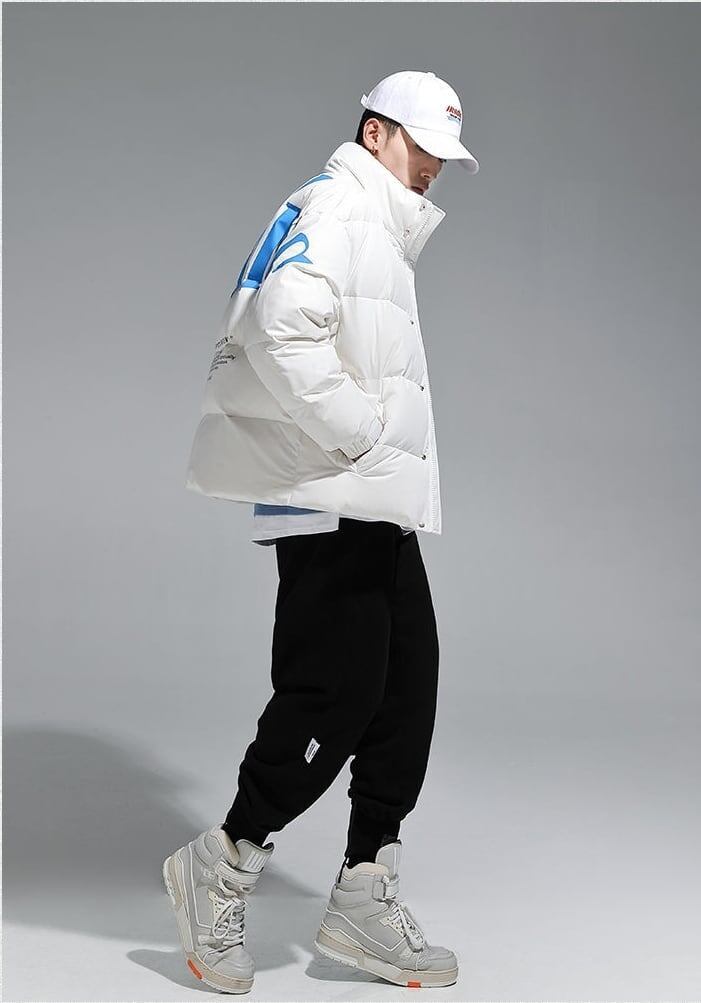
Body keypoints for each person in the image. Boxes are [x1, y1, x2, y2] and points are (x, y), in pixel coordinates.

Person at [163, 69, 479, 994]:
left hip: (363, 492)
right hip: (326, 485)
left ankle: (363, 893)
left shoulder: (367, 216)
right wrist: (358, 433)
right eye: (421, 145)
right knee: (334, 691)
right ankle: (221, 862)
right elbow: (279, 327)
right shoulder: (342, 208)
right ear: (376, 132)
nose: (432, 167)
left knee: (405, 685)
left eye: (443, 153)